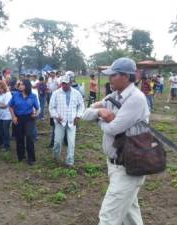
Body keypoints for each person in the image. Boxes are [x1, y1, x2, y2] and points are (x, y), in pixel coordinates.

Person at [93, 57, 149, 225]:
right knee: (130, 213)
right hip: (117, 165)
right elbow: (90, 111)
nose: (110, 78)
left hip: (129, 166)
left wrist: (100, 118)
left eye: (113, 75)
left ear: (126, 76)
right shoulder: (115, 95)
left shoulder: (135, 98)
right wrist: (100, 114)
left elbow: (113, 128)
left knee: (108, 217)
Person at [49, 75, 84, 167]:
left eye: (66, 83)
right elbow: (51, 107)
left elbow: (81, 106)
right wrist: (56, 116)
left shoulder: (76, 93)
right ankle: (56, 157)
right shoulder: (56, 93)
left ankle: (70, 161)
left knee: (71, 143)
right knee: (57, 142)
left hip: (72, 122)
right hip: (60, 122)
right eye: (62, 83)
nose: (64, 85)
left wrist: (78, 116)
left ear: (71, 83)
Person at [9, 79, 39, 165]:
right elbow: (10, 107)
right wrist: (13, 116)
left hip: (29, 118)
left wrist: (36, 114)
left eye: (22, 84)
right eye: (19, 84)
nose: (20, 86)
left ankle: (31, 158)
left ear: (27, 86)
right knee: (19, 137)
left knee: (29, 136)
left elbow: (37, 108)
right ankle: (21, 156)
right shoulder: (15, 95)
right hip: (18, 118)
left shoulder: (33, 96)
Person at [0, 80, 12, 151]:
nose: (0, 90)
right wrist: (0, 104)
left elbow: (5, 106)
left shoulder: (8, 94)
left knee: (5, 131)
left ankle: (7, 145)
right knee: (0, 130)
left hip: (7, 115)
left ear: (4, 88)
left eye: (1, 88)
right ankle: (1, 144)